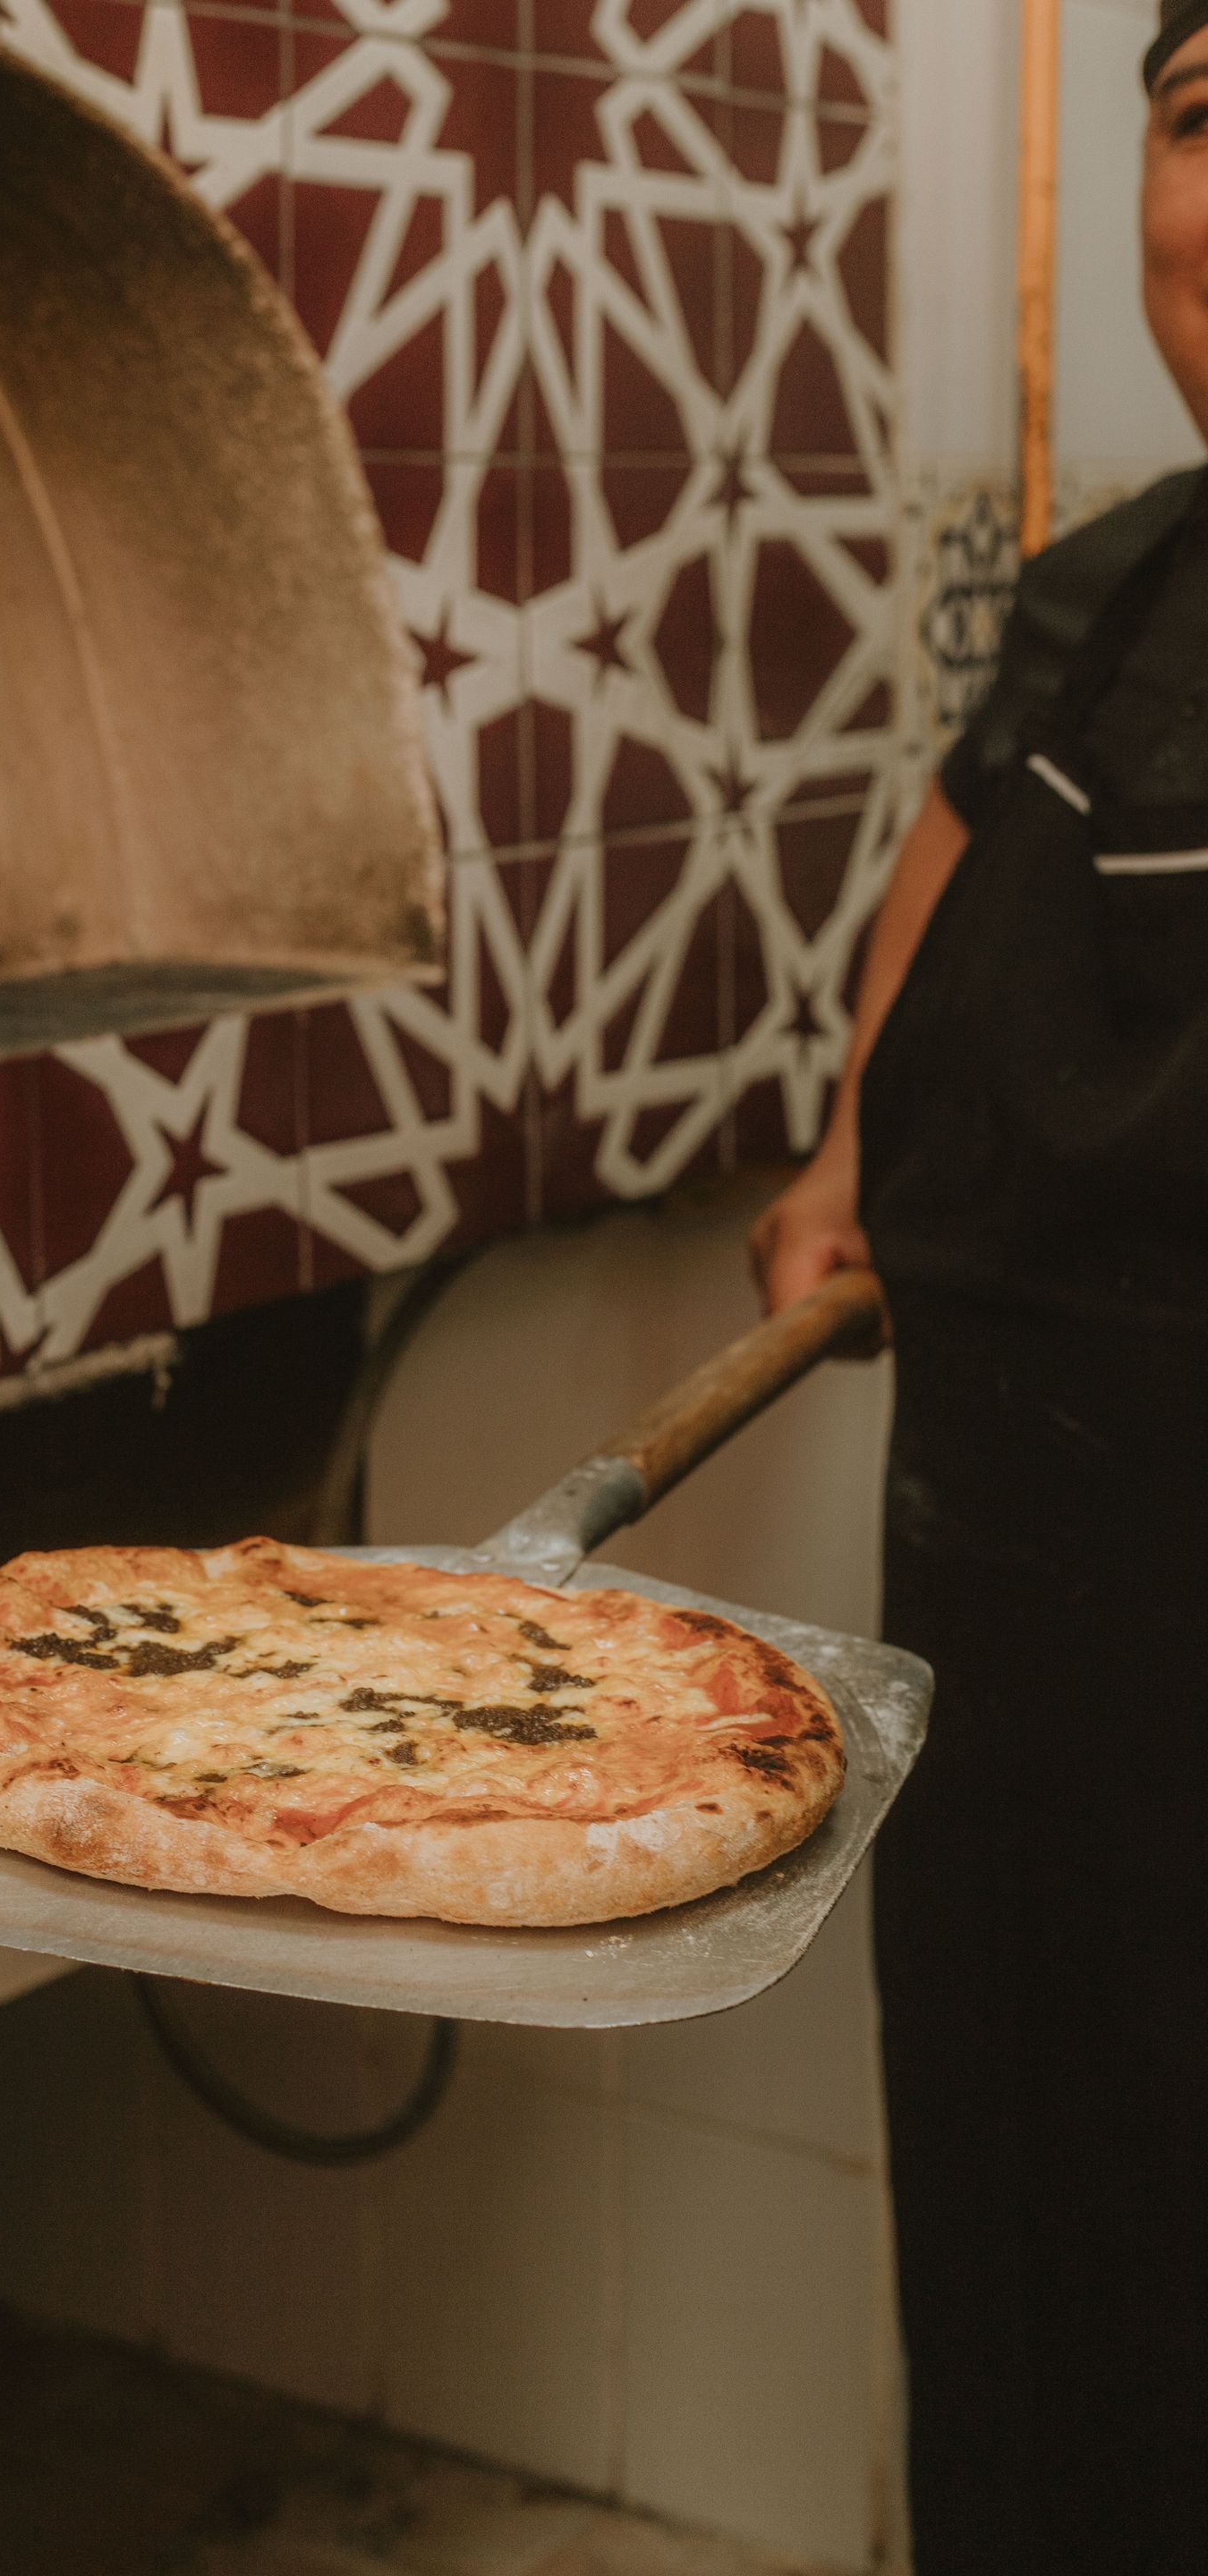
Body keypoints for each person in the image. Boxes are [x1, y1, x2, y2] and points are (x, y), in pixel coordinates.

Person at [750, 9, 1208, 2572]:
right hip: (1015, 1652)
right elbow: (970, 844)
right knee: (1033, 2283)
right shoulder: (1112, 581)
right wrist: (843, 1158)